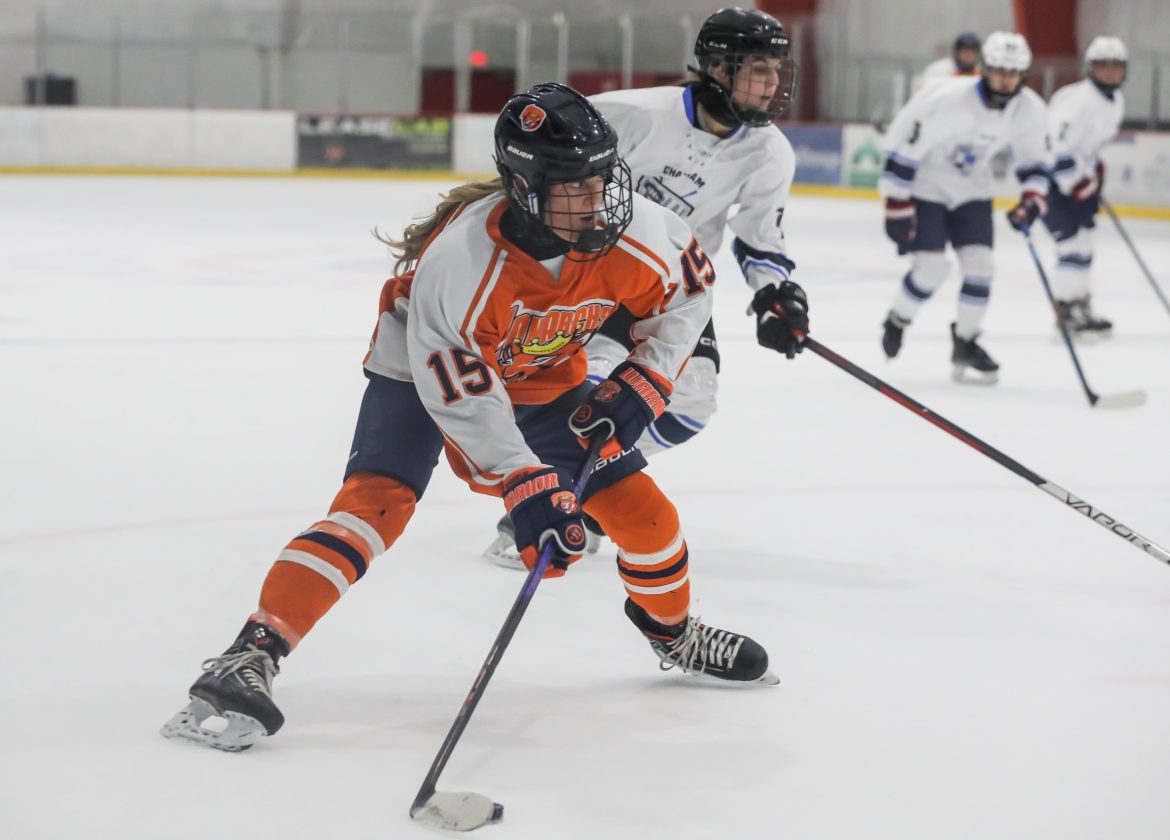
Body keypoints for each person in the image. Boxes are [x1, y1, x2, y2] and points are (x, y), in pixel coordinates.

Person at [161, 83, 799, 752]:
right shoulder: (462, 266)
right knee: (376, 504)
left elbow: (688, 294)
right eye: (571, 185)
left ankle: (672, 632)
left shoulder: (639, 229)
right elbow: (467, 402)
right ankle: (252, 653)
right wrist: (526, 484)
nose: (597, 198)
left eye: (601, 176)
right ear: (524, 186)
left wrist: (646, 375)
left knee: (647, 518)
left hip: (544, 371)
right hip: (423, 369)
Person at [482, 7, 809, 566]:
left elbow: (758, 239)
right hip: (600, 275)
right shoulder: (630, 114)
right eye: (758, 68)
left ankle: (583, 487)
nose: (773, 83)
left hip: (676, 286)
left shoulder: (770, 151)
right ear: (718, 69)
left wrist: (776, 292)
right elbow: (539, 178)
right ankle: (544, 506)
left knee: (692, 404)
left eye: (777, 70)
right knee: (601, 390)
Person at [879, 31, 1052, 384]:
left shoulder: (1029, 110)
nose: (1005, 78)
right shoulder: (947, 99)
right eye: (999, 69)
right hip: (926, 186)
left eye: (1013, 71)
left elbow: (1036, 162)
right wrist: (896, 205)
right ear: (984, 68)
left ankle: (966, 341)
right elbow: (902, 149)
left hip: (973, 189)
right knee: (931, 269)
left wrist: (1032, 202)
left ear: (1024, 74)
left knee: (981, 266)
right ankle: (898, 318)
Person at [1041, 36, 1128, 339]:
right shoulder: (1076, 99)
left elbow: (1089, 146)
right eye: (1103, 65)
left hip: (1081, 183)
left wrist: (1093, 169)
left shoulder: (1115, 102)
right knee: (1070, 245)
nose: (1110, 72)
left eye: (1116, 66)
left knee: (1085, 244)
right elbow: (1054, 143)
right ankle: (1064, 311)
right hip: (1054, 182)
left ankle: (1080, 304)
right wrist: (1072, 181)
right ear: (1091, 67)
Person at [912, 32, 982, 94]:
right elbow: (922, 93)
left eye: (973, 52)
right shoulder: (940, 70)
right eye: (965, 51)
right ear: (957, 53)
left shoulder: (981, 74)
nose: (969, 55)